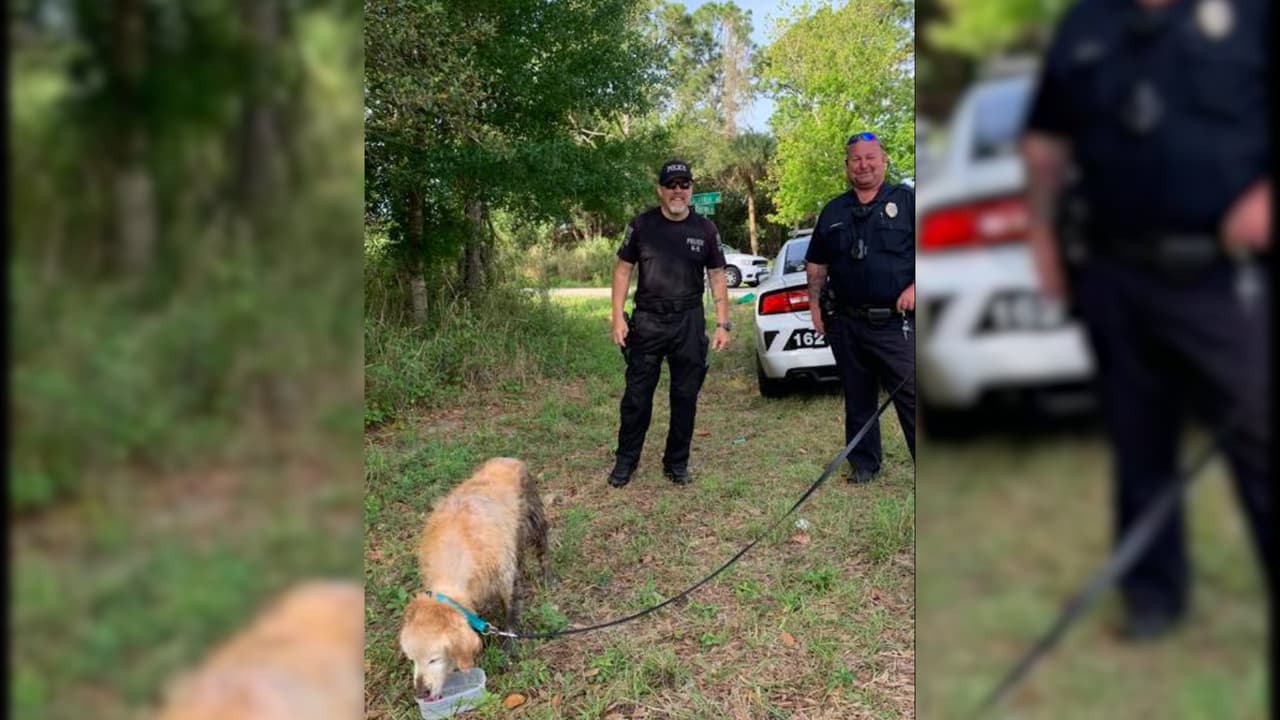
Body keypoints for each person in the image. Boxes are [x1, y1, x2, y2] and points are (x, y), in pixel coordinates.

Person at [1021, 0, 1271, 640]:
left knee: (1262, 435)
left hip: (1228, 274)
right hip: (1116, 272)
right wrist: (1044, 238)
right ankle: (1155, 598)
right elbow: (1048, 137)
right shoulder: (1085, 25)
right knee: (1139, 444)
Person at [607, 159, 732, 488]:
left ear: (691, 190)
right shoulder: (642, 225)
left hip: (688, 322)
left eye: (684, 185)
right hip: (648, 321)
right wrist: (617, 316)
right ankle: (626, 462)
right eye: (672, 185)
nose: (678, 191)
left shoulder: (705, 230)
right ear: (660, 190)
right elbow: (623, 270)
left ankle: (676, 463)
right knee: (637, 397)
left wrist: (722, 323)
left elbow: (717, 275)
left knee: (685, 396)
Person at [805, 132, 916, 484]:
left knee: (912, 396)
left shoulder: (909, 201)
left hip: (897, 324)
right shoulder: (834, 210)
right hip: (848, 323)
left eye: (870, 157)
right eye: (856, 158)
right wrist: (814, 304)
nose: (863, 164)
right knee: (857, 397)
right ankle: (865, 466)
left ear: (884, 160)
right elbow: (817, 262)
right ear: (847, 165)